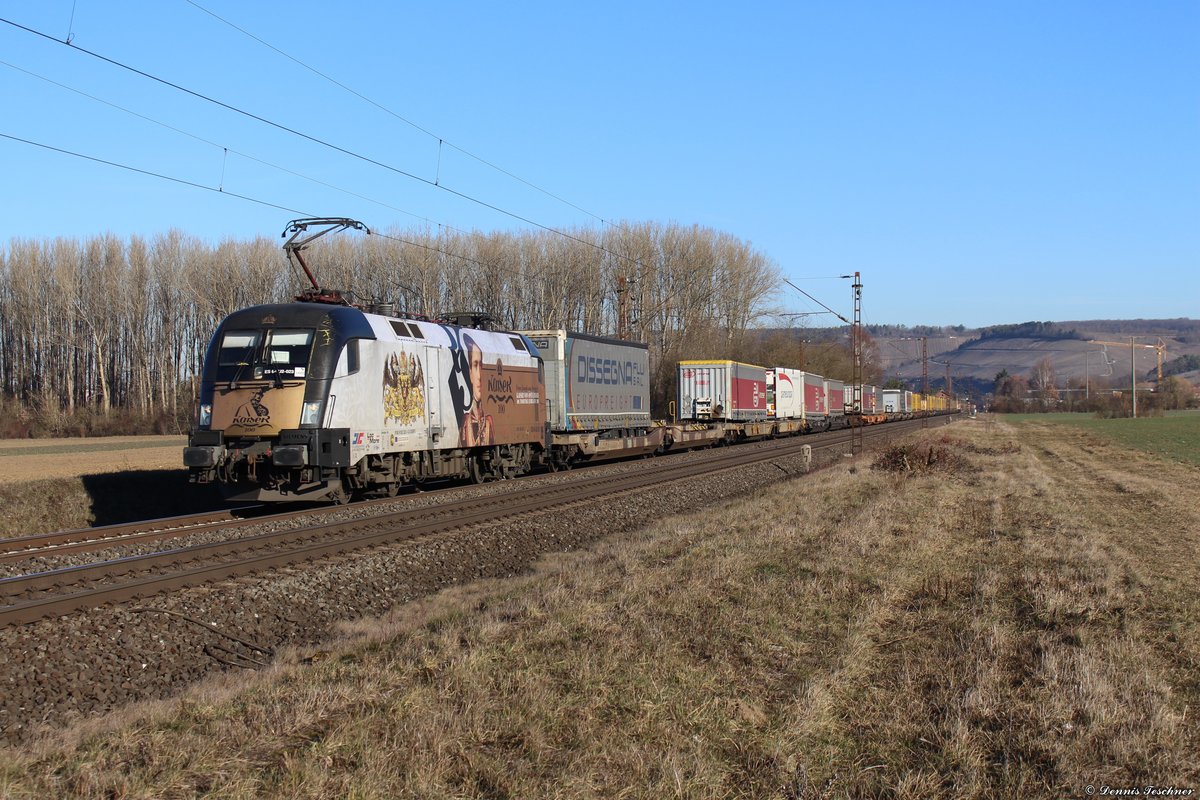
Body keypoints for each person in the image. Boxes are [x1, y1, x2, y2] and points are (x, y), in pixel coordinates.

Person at [460, 335, 494, 447]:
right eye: (475, 365)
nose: (480, 375)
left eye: (481, 366)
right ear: (469, 372)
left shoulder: (489, 421)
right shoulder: (465, 421)